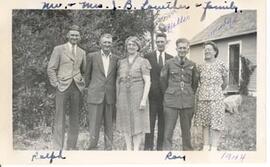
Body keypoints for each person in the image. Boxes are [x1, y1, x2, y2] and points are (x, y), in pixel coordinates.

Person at [47, 25, 86, 150]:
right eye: (72, 35)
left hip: (77, 88)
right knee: (60, 117)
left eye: (77, 35)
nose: (74, 37)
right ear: (68, 36)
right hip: (62, 87)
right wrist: (56, 83)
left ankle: (71, 146)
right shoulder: (59, 49)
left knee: (75, 117)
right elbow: (51, 68)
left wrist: (82, 81)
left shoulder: (82, 52)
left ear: (79, 37)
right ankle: (58, 147)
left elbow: (84, 70)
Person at [160, 38, 198, 151]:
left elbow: (195, 83)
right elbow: (163, 81)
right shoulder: (169, 63)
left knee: (186, 130)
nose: (182, 50)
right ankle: (166, 153)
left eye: (184, 48)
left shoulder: (192, 65)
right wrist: (168, 94)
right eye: (180, 48)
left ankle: (188, 152)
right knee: (168, 131)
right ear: (176, 49)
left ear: (188, 49)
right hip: (171, 101)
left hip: (187, 101)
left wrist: (189, 93)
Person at [116, 36, 151, 150]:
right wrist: (118, 97)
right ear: (126, 47)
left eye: (133, 45)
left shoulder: (143, 61)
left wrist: (143, 100)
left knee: (138, 122)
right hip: (123, 96)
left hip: (138, 95)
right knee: (125, 122)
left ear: (138, 47)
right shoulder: (121, 62)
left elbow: (148, 82)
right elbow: (118, 80)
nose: (131, 47)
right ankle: (128, 148)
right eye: (129, 44)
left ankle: (136, 149)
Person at [85, 33, 118, 150]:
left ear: (112, 44)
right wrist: (91, 89)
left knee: (109, 124)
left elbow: (115, 78)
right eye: (105, 42)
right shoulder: (91, 56)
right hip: (95, 95)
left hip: (110, 96)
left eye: (109, 42)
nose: (107, 45)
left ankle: (108, 148)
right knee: (94, 124)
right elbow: (87, 76)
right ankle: (92, 147)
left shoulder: (116, 59)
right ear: (100, 44)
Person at [193, 41, 228, 151]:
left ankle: (214, 147)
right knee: (205, 122)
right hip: (202, 97)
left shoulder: (221, 65)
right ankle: (206, 145)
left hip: (217, 97)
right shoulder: (200, 66)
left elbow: (225, 81)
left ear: (215, 52)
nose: (207, 51)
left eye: (209, 49)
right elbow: (197, 81)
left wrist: (217, 90)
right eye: (205, 49)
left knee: (216, 122)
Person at [144, 33, 173, 150]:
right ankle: (148, 147)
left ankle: (160, 148)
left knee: (163, 124)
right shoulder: (147, 56)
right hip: (151, 96)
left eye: (162, 41)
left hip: (165, 97)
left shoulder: (171, 58)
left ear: (166, 43)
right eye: (158, 42)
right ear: (156, 43)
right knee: (149, 124)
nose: (160, 44)